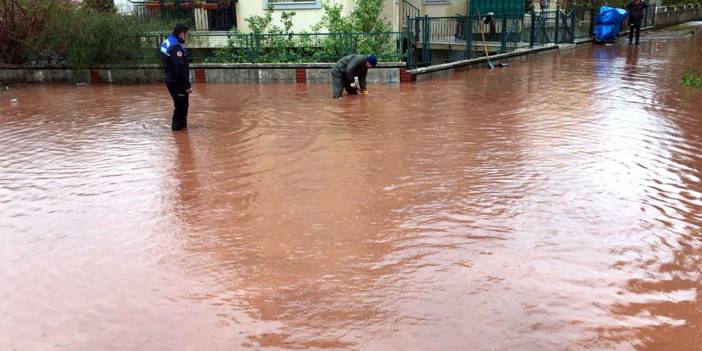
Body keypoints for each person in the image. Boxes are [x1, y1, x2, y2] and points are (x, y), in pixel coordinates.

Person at [161, 24, 192, 131]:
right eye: (187, 35)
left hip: (171, 80)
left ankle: (183, 131)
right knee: (181, 107)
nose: (187, 37)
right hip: (177, 82)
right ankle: (179, 135)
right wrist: (187, 85)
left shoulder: (168, 41)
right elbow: (179, 69)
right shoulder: (175, 47)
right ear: (182, 34)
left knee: (182, 105)